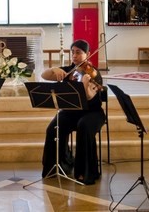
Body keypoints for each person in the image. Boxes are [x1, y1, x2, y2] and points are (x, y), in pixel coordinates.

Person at [40, 39, 104, 185]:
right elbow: (44, 76)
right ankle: (60, 165)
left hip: (92, 112)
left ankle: (84, 172)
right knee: (53, 128)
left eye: (79, 53)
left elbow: (89, 97)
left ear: (87, 54)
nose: (74, 56)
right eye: (72, 52)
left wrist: (85, 85)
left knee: (84, 125)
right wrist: (54, 70)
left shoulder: (93, 74)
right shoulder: (68, 70)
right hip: (71, 111)